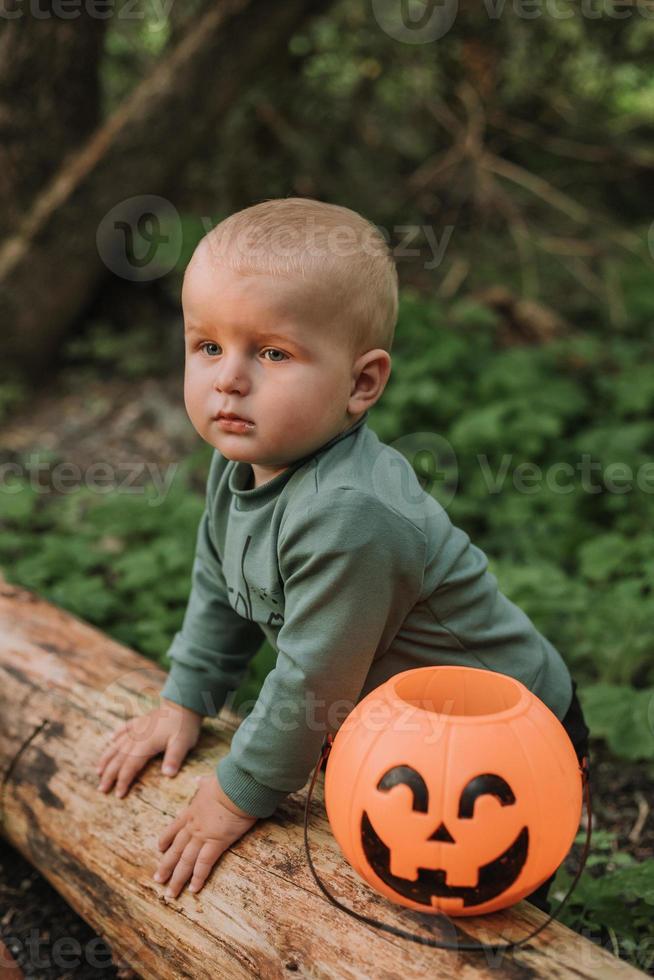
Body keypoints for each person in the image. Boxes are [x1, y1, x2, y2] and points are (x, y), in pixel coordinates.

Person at [95, 197, 590, 910]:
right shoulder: (242, 459)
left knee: (466, 896)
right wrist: (185, 698)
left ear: (362, 383)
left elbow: (312, 681)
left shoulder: (350, 511)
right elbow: (218, 584)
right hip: (391, 721)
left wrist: (239, 794)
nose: (228, 378)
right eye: (208, 346)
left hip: (501, 735)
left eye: (272, 352)